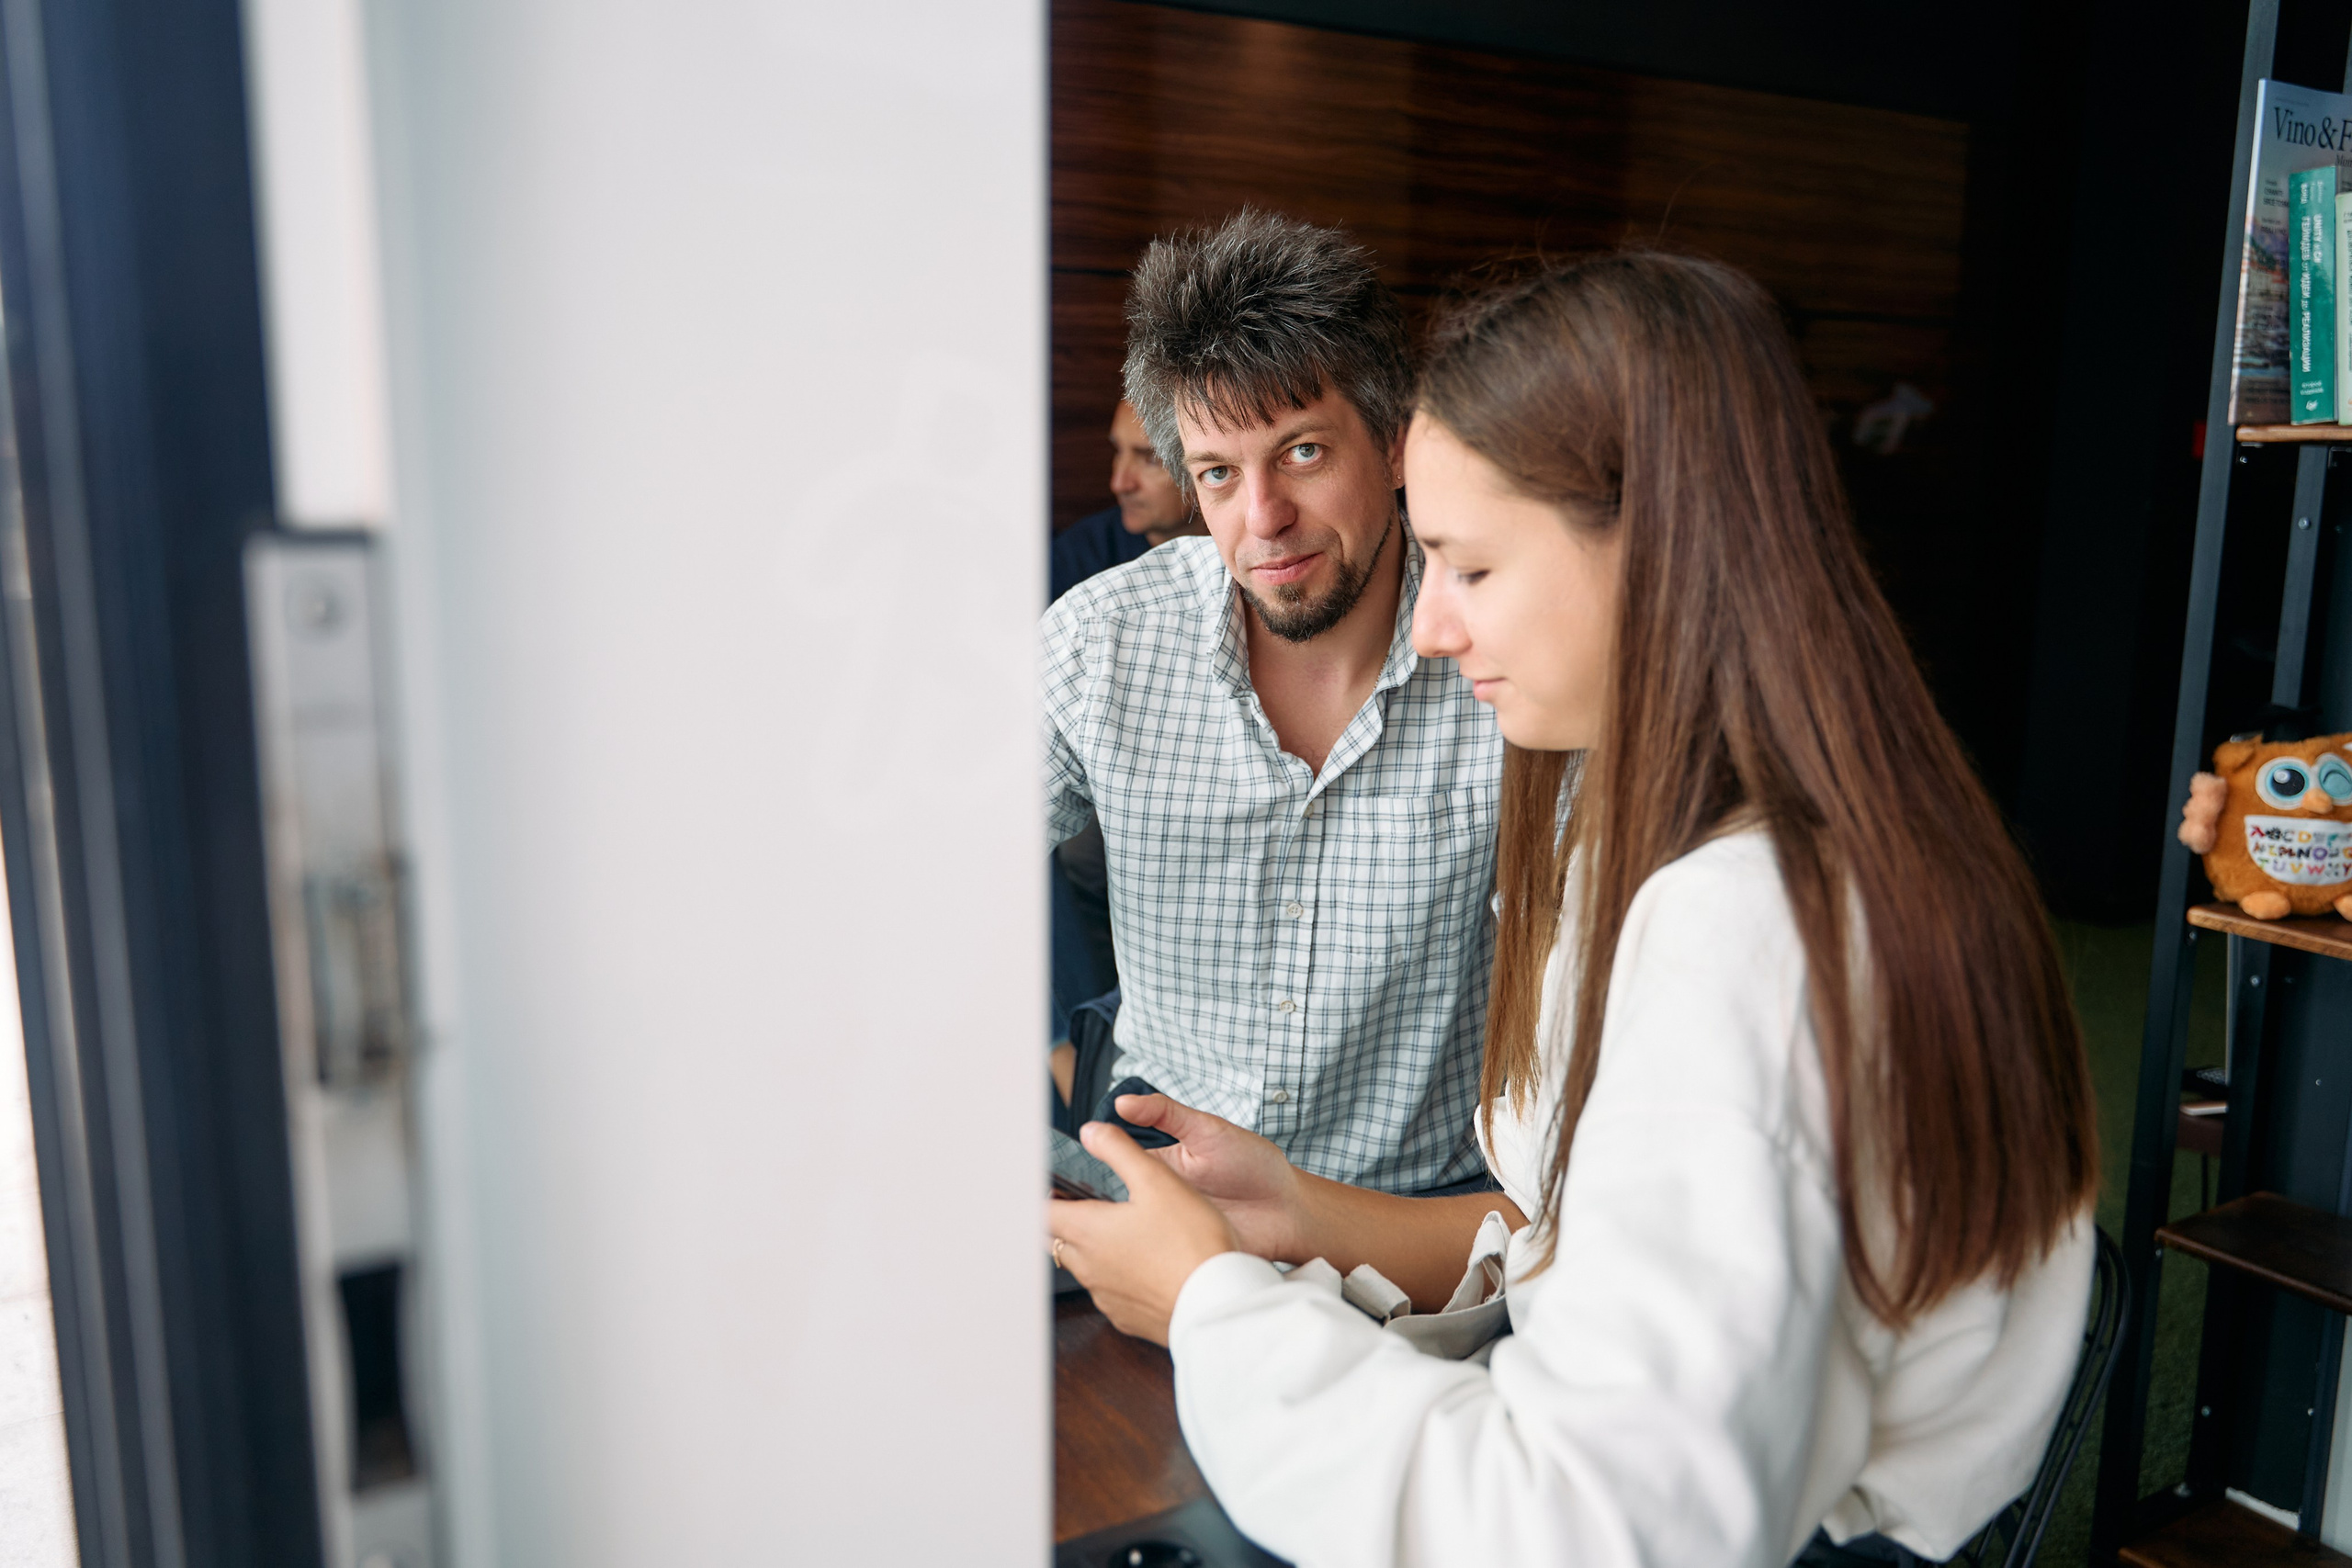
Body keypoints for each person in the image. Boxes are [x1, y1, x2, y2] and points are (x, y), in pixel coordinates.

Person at [1048, 252, 2101, 1568]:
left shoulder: (1740, 934)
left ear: (1656, 547)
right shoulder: (1745, 833)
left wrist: (1210, 1302)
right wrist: (1300, 1214)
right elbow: (1582, 1251)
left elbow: (1590, 1524)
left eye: (1469, 567)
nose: (1431, 629)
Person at [1043, 210, 1504, 1196]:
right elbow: (919, 890)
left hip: (1424, 1220)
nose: (1263, 520)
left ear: (1394, 444)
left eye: (1301, 453)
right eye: (1217, 474)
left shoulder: (1506, 654)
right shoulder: (1101, 641)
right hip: (1165, 1199)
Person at [1048, 398, 1207, 1045]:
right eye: (1118, 453)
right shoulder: (1086, 558)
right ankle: (1076, 1045)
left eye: (1146, 458)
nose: (1119, 481)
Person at [1048, 399, 1203, 607]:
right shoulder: (1072, 563)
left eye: (1151, 460)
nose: (1119, 484)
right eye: (1118, 451)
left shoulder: (1242, 558)